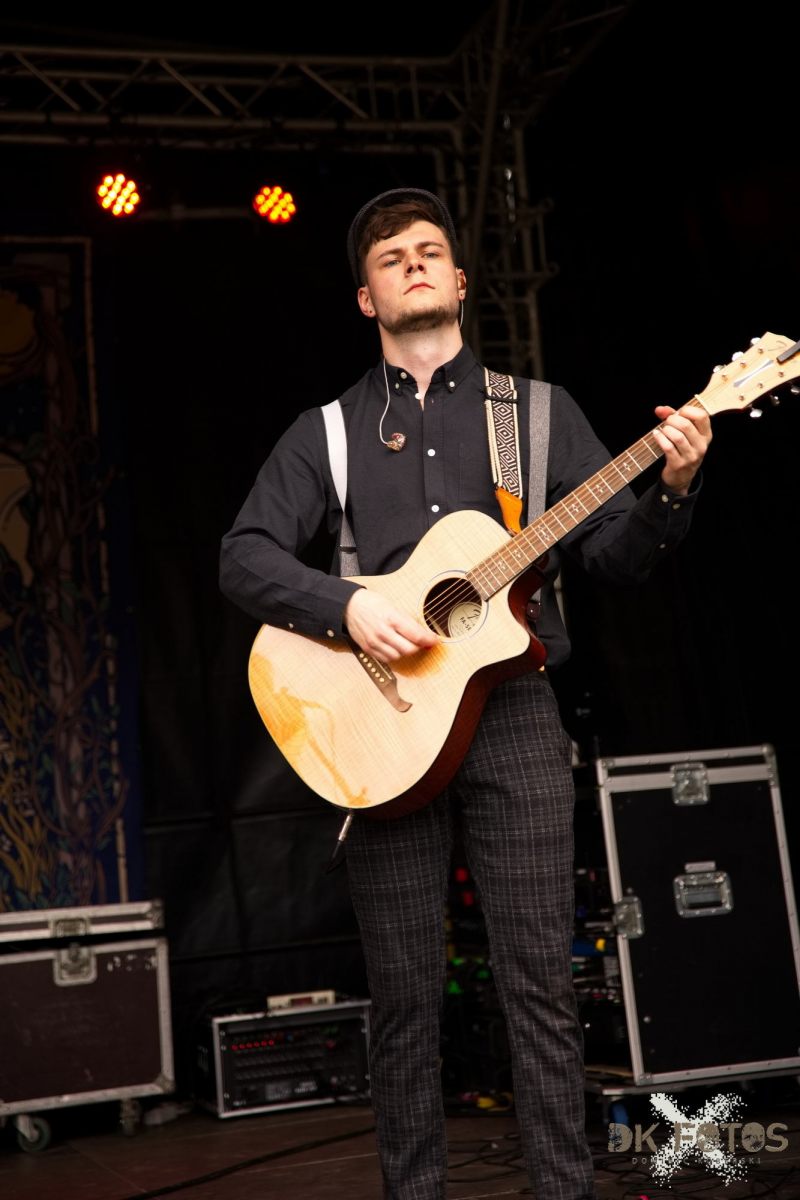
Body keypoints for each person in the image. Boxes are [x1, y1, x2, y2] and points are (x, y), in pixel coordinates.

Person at [219, 187, 711, 1200]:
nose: (413, 261)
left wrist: (670, 489)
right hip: (382, 732)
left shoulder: (538, 414)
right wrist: (348, 608)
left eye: (429, 249)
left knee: (539, 984)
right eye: (390, 255)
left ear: (458, 278)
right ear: (367, 298)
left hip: (515, 716)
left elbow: (615, 561)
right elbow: (243, 556)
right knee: (404, 999)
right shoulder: (328, 432)